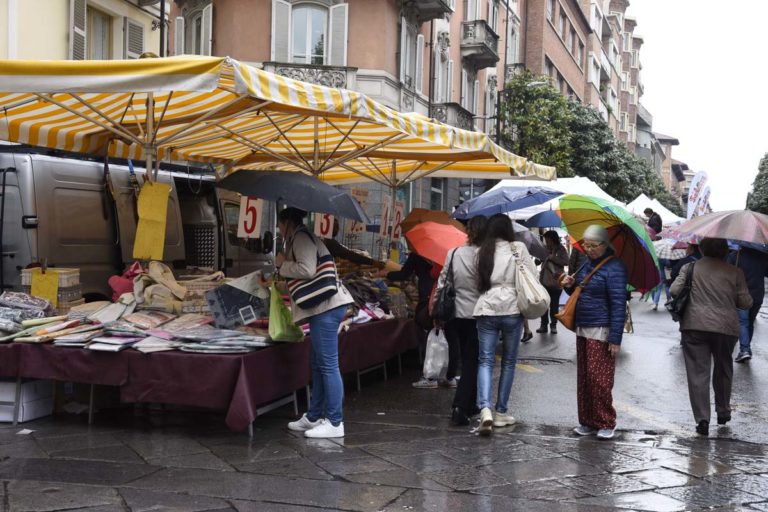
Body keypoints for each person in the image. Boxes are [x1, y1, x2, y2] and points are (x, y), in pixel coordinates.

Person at [275, 208, 354, 439]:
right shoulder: (299, 237)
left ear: (287, 222)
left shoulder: (300, 237)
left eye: (280, 225)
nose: (279, 230)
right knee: (319, 363)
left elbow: (307, 269)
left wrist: (282, 265)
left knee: (328, 365)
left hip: (327, 308)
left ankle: (335, 422)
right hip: (324, 307)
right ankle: (314, 415)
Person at [670, 238, 752, 436]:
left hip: (694, 325)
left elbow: (674, 290)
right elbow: (745, 303)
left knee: (698, 373)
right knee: (724, 368)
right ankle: (723, 411)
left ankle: (702, 419)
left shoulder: (690, 268)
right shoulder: (735, 271)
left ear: (702, 249)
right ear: (725, 251)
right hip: (725, 328)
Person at [560, 225, 628, 440]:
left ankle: (606, 421)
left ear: (604, 245)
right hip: (583, 326)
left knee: (600, 379)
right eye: (585, 245)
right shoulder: (587, 264)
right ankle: (587, 421)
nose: (587, 249)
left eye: (592, 245)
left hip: (601, 328)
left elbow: (618, 304)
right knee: (585, 378)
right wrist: (569, 286)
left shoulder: (615, 267)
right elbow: (582, 292)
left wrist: (615, 338)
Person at [474, 214, 536, 436]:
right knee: (509, 362)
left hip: (486, 307)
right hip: (512, 309)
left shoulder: (483, 250)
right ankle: (501, 412)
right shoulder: (518, 247)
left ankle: (484, 409)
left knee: (485, 360)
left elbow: (476, 281)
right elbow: (532, 276)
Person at [434, 216, 488, 426]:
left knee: (468, 358)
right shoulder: (487, 256)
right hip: (479, 314)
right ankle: (460, 406)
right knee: (472, 361)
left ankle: (471, 403)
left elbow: (442, 282)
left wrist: (437, 312)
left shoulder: (454, 253)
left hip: (456, 313)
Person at [378, 249, 450, 388]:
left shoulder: (417, 254)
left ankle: (430, 375)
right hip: (442, 294)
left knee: (428, 333)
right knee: (441, 333)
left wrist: (386, 274)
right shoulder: (443, 253)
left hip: (428, 295)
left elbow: (404, 274)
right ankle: (445, 372)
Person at [728, 246, 768, 362]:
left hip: (741, 294)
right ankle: (745, 350)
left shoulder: (735, 256)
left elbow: (727, 273)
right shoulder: (763, 256)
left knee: (742, 322)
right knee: (749, 322)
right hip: (757, 295)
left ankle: (745, 350)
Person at [537, 230, 569, 335]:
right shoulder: (544, 249)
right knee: (544, 305)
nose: (546, 241)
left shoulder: (561, 249)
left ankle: (553, 325)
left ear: (552, 239)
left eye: (547, 239)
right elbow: (541, 261)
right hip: (544, 281)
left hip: (556, 282)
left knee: (554, 306)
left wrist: (553, 258)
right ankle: (543, 325)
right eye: (545, 240)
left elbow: (566, 261)